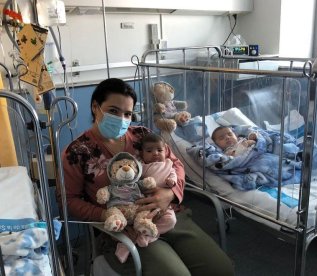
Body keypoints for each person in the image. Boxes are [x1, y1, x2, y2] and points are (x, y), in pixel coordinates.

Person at [58, 78, 234, 276]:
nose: (121, 118)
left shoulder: (142, 135)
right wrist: (107, 216)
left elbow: (175, 164)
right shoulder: (77, 152)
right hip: (127, 229)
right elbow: (68, 200)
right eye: (113, 111)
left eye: (127, 113)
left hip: (170, 215)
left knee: (221, 269)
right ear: (95, 107)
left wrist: (170, 193)